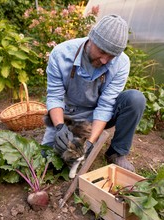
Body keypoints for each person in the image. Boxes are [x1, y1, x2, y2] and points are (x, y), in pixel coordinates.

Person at [42, 14, 146, 172]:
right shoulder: (61, 54)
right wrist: (59, 127)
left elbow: (106, 105)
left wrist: (90, 142)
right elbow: (55, 96)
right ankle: (66, 132)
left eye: (111, 56)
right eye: (102, 51)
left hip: (99, 114)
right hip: (68, 114)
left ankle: (116, 153)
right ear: (91, 39)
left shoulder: (122, 63)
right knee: (48, 160)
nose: (105, 60)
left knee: (135, 99)